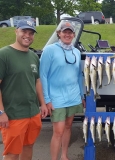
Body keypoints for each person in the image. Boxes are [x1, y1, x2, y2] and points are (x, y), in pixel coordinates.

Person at [0, 20, 48, 160]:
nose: (27, 36)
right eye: (24, 32)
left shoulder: (33, 56)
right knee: (12, 153)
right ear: (16, 31)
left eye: (31, 33)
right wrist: (1, 112)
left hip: (32, 113)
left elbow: (37, 81)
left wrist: (42, 104)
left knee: (28, 146)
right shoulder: (4, 54)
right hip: (13, 114)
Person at [40, 21, 86, 160]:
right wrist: (47, 99)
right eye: (64, 31)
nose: (67, 34)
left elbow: (78, 75)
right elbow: (43, 75)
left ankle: (64, 155)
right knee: (58, 131)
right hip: (56, 97)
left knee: (68, 127)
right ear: (58, 33)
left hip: (73, 96)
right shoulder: (50, 50)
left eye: (70, 32)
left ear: (73, 34)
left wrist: (81, 94)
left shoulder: (76, 52)